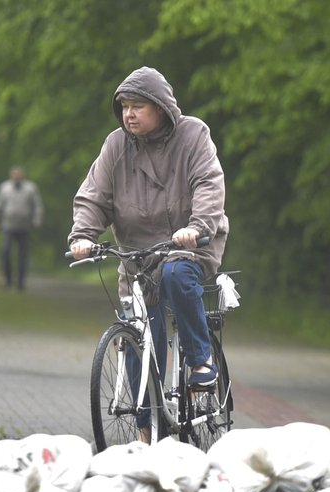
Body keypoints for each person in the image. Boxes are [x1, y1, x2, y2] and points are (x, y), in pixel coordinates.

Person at [67, 66, 229, 440]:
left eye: (138, 105)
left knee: (176, 275)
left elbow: (208, 183)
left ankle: (200, 359)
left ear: (160, 107)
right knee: (140, 334)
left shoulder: (193, 135)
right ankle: (146, 433)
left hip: (190, 243)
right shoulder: (115, 146)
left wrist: (198, 226)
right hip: (137, 255)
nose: (129, 114)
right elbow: (95, 195)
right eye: (124, 107)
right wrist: (83, 236)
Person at [0, 165, 44, 290]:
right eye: (14, 175)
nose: (16, 177)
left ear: (23, 176)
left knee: (23, 255)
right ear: (11, 176)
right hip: (8, 225)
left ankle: (21, 281)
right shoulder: (4, 188)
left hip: (24, 226)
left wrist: (37, 220)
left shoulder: (30, 188)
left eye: (19, 175)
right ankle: (7, 279)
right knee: (6, 252)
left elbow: (37, 206)